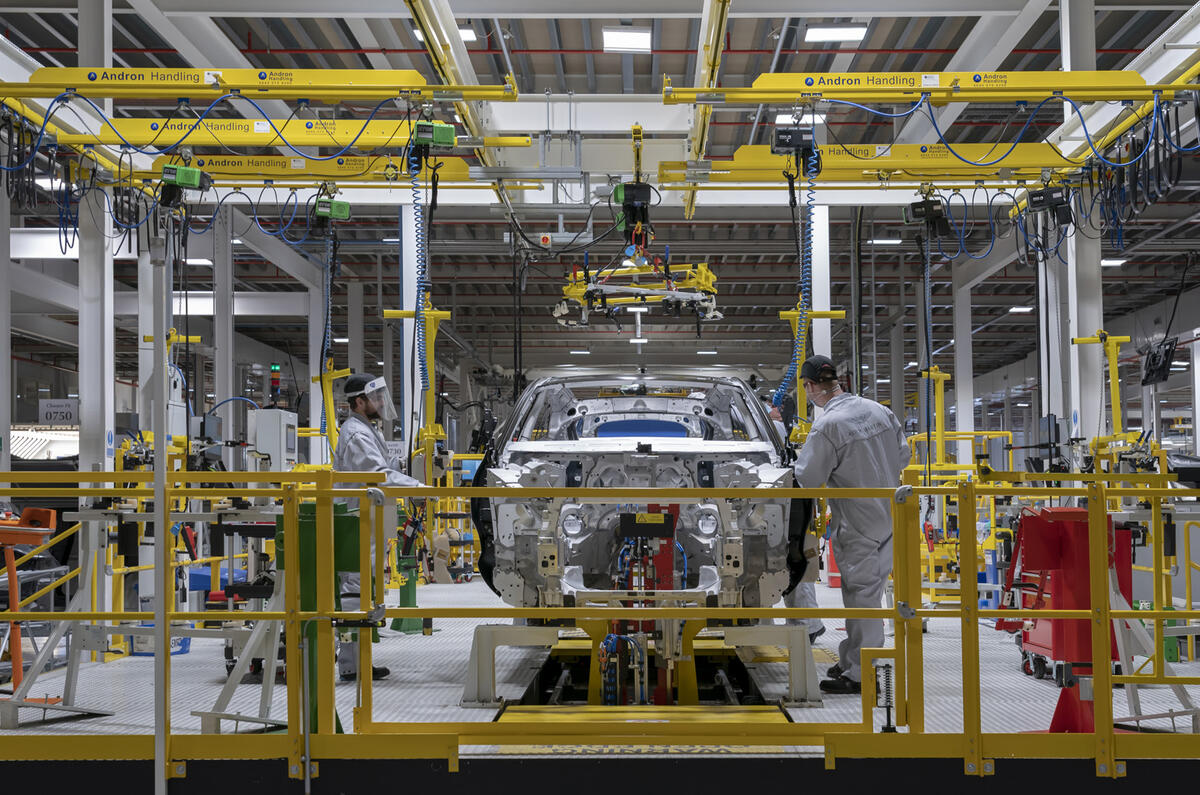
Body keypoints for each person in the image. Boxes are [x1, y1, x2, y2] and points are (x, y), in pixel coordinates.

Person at [791, 355, 909, 694]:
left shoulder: (828, 425)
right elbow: (903, 456)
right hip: (891, 512)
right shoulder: (878, 410)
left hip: (858, 519)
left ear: (810, 386)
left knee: (862, 596)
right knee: (869, 592)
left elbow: (809, 477)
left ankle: (862, 673)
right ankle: (851, 659)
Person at [332, 373, 423, 682]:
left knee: (364, 591)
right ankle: (352, 665)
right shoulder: (357, 434)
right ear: (360, 402)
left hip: (370, 519)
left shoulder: (367, 430)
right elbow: (378, 475)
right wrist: (417, 487)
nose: (382, 403)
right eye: (376, 398)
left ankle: (355, 663)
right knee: (356, 591)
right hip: (358, 520)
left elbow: (386, 469)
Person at [768, 404, 825, 644]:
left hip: (777, 500)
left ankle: (806, 625)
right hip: (779, 499)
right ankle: (805, 624)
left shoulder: (770, 427)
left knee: (792, 558)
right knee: (789, 559)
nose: (774, 412)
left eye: (776, 410)